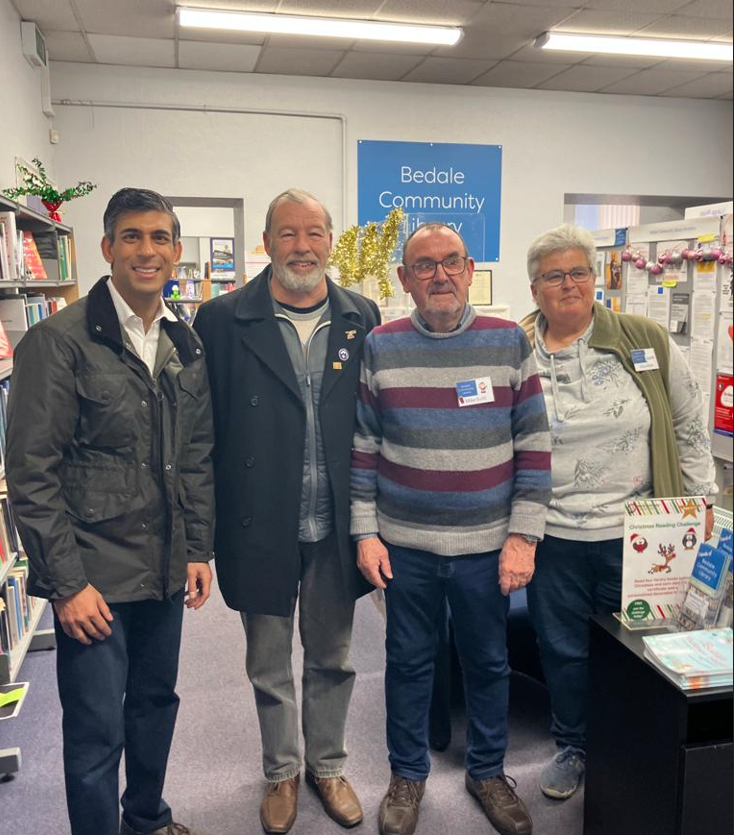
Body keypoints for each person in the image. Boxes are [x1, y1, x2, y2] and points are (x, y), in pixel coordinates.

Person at [6, 188, 215, 835]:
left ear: (176, 251)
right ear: (107, 248)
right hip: (92, 575)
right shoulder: (57, 342)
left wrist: (198, 547)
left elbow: (197, 452)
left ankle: (147, 818)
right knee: (96, 730)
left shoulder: (184, 341)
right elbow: (30, 474)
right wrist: (66, 584)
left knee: (156, 703)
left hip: (163, 568)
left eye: (159, 237)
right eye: (131, 236)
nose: (146, 250)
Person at [350, 222, 551, 835]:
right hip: (404, 545)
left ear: (469, 271)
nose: (440, 274)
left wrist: (523, 535)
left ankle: (487, 771)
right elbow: (364, 446)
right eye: (425, 265)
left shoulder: (507, 343)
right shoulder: (381, 346)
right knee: (408, 662)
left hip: (486, 546)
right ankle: (407, 775)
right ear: (406, 280)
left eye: (451, 262)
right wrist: (365, 532)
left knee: (487, 662)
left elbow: (535, 446)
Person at [193, 189, 380, 835]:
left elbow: (375, 423)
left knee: (334, 655)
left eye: (315, 232)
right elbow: (203, 430)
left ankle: (328, 766)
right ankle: (282, 771)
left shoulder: (362, 315)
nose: (303, 245)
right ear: (267, 242)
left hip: (335, 522)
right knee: (268, 663)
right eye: (288, 233)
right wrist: (203, 533)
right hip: (258, 519)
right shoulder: (221, 318)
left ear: (331, 240)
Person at [520, 223, 717, 801]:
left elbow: (686, 423)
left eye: (579, 271)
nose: (569, 284)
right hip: (550, 533)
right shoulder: (514, 349)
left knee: (641, 647)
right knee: (561, 650)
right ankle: (574, 745)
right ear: (535, 290)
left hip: (640, 531)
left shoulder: (645, 339)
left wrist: (700, 502)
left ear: (594, 280)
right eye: (554, 276)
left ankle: (636, 745)